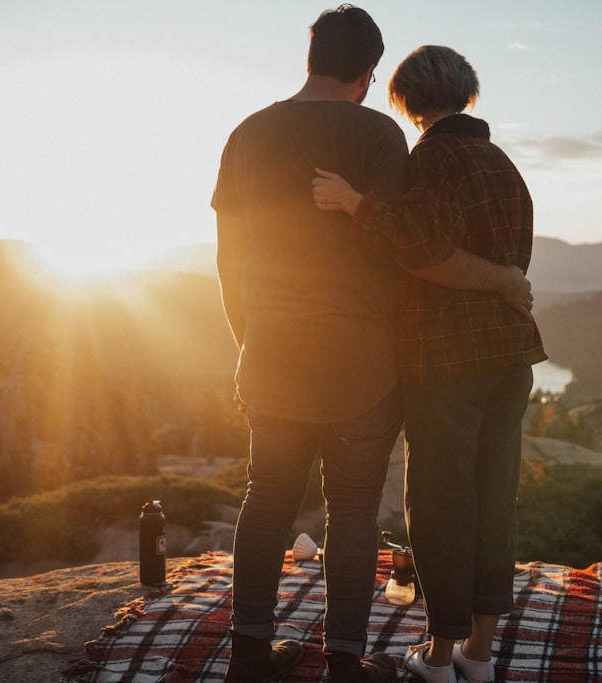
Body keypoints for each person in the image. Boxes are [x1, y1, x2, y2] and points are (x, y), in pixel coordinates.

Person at [212, 7, 532, 682]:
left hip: (272, 354)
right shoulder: (380, 135)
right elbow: (407, 248)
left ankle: (248, 653)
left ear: (312, 60)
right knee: (352, 510)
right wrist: (501, 281)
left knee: (266, 499)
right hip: (363, 362)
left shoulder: (247, 134)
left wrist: (253, 343)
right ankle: (346, 662)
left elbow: (228, 259)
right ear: (365, 73)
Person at [312, 45, 547, 683]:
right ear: (467, 93)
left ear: (405, 101)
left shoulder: (433, 159)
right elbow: (510, 258)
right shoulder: (500, 161)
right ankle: (479, 654)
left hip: (449, 360)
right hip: (511, 355)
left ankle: (438, 661)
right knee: (494, 499)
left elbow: (421, 248)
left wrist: (355, 204)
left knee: (442, 503)